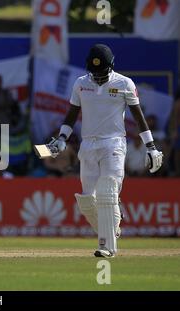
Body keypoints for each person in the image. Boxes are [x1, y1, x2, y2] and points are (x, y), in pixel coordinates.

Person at [49, 44, 163, 258]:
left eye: (102, 73)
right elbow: (72, 114)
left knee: (107, 193)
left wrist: (151, 147)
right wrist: (62, 138)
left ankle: (107, 246)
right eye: (94, 73)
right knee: (86, 202)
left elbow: (138, 117)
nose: (98, 77)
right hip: (88, 145)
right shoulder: (81, 83)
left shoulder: (124, 83)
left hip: (113, 144)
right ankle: (112, 227)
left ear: (111, 66)